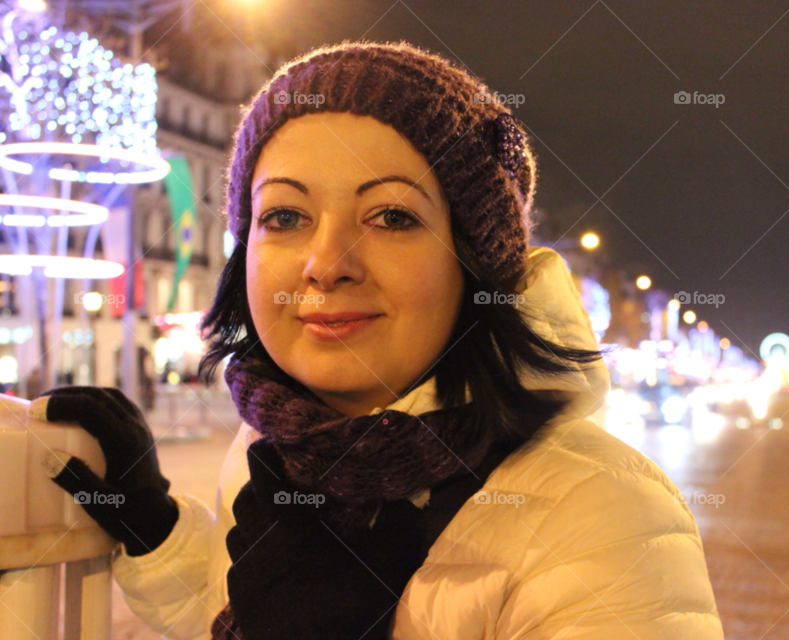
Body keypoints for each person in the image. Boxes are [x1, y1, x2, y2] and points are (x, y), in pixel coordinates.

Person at [32, 42, 723, 639]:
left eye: (391, 216)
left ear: (477, 261)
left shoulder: (605, 519)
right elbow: (239, 606)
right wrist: (156, 535)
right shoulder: (278, 450)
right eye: (285, 215)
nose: (326, 262)